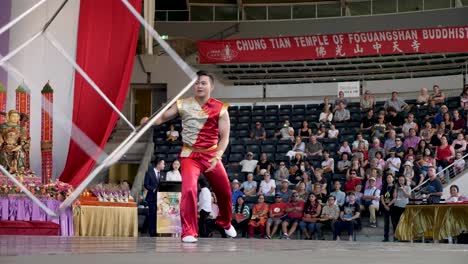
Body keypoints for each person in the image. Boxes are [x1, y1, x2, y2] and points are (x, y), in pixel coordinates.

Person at [154, 70, 235, 242]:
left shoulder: (220, 108)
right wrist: (150, 121)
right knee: (189, 189)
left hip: (212, 154)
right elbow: (162, 118)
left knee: (224, 190)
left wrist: (218, 155)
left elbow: (225, 137)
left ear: (211, 87)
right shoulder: (183, 104)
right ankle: (189, 231)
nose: (199, 86)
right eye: (197, 83)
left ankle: (226, 222)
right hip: (190, 154)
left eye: (203, 83)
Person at [0, 109, 29, 174]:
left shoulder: (21, 128)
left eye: (16, 116)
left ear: (19, 118)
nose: (15, 118)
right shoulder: (2, 126)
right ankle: (5, 170)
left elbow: (23, 139)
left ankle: (18, 171)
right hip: (4, 146)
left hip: (16, 146)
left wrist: (19, 146)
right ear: (8, 117)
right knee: (3, 153)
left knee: (19, 154)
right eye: (13, 116)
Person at [144, 159, 165, 237]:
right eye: (163, 164)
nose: (164, 165)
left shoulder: (162, 174)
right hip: (151, 197)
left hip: (160, 198)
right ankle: (151, 232)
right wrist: (153, 189)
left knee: (158, 215)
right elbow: (146, 184)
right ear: (158, 164)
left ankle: (157, 231)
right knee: (152, 215)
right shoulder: (149, 173)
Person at [381, 173, 395, 242]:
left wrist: (389, 205)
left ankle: (395, 237)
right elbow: (382, 197)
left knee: (393, 222)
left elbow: (395, 197)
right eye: (387, 178)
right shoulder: (384, 186)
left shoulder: (395, 187)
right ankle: (386, 237)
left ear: (393, 179)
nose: (388, 179)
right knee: (386, 223)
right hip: (385, 206)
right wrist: (385, 205)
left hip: (392, 206)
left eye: (390, 177)